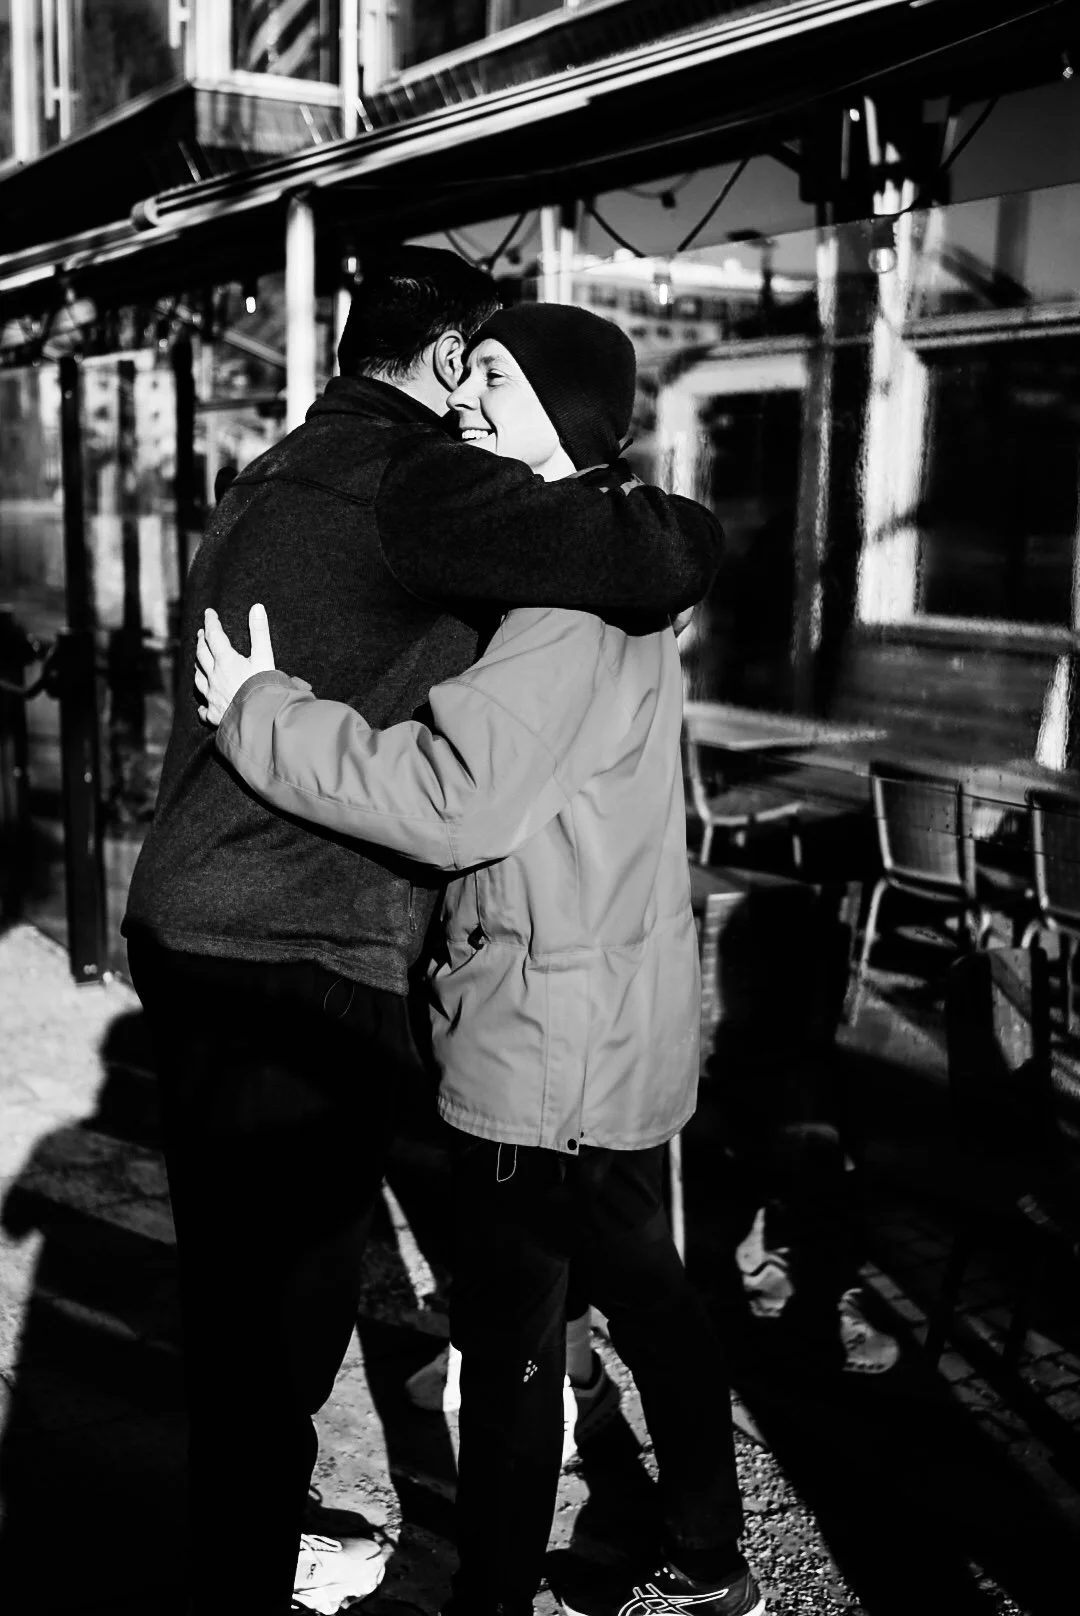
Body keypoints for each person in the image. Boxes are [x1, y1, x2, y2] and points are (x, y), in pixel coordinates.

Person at [122, 250, 724, 1616]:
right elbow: (633, 549)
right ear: (447, 358)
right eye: (479, 371)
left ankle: (457, 1568)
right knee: (330, 1312)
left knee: (344, 1313)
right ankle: (685, 1540)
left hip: (341, 961)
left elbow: (466, 784)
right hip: (344, 958)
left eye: (505, 387)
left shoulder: (286, 466)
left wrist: (265, 710)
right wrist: (677, 526)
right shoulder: (427, 486)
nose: (474, 417)